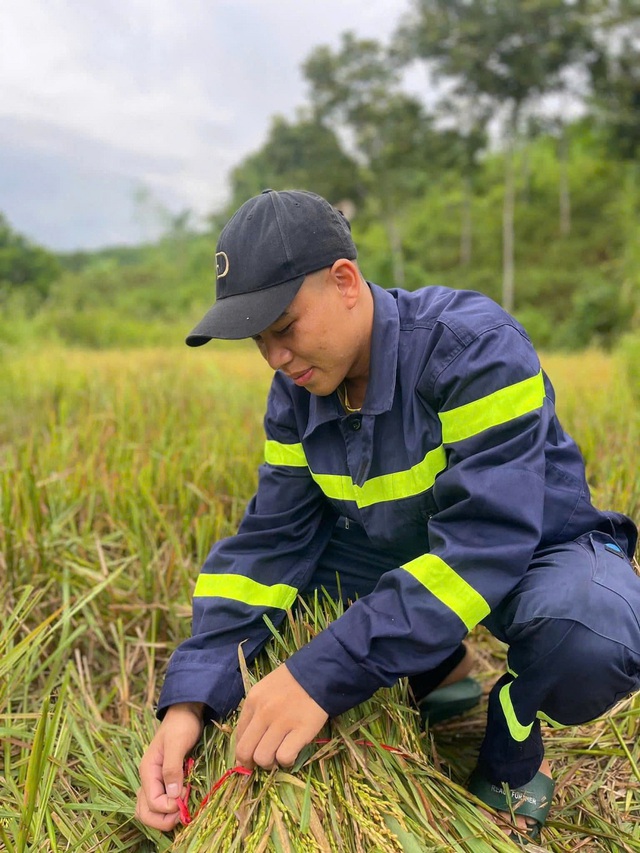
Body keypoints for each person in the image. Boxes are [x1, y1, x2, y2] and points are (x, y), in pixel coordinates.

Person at [136, 189, 640, 844]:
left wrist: (320, 673)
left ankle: (513, 733)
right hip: (396, 553)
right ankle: (436, 666)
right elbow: (268, 548)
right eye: (260, 341)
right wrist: (188, 706)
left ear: (345, 282)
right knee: (280, 600)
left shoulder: (474, 347)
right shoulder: (297, 392)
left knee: (593, 633)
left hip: (526, 553)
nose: (277, 358)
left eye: (284, 327)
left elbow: (483, 545)